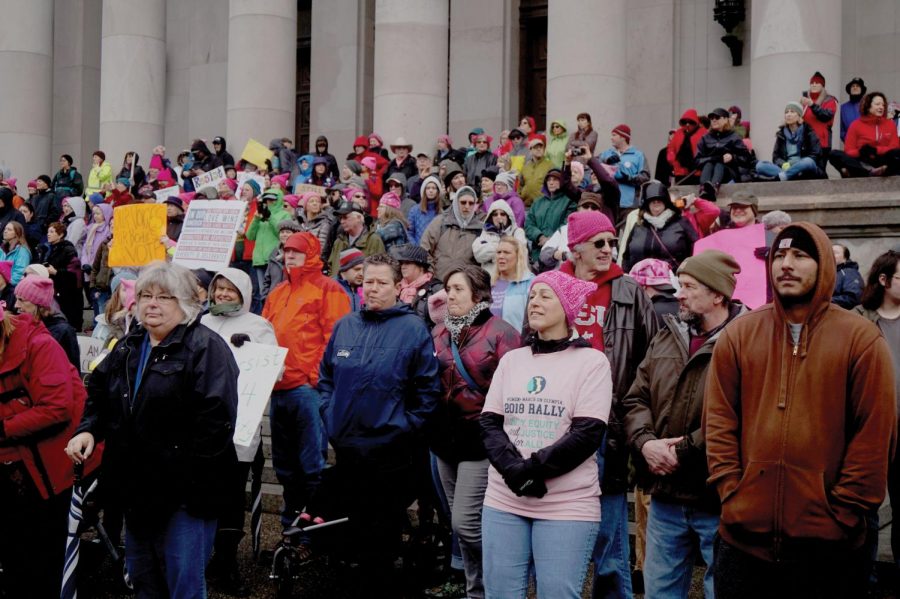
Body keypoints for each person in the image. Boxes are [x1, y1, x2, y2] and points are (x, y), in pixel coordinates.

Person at [704, 222, 896, 597]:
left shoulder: (860, 338)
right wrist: (733, 493)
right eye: (779, 255)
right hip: (743, 544)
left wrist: (842, 512)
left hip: (831, 547)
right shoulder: (739, 335)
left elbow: (874, 435)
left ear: (824, 264)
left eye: (800, 256)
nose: (785, 264)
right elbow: (719, 421)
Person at [67, 261, 240, 599]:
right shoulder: (131, 345)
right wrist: (89, 429)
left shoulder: (206, 348)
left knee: (183, 584)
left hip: (186, 495)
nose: (152, 303)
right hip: (138, 489)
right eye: (146, 295)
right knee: (143, 579)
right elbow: (100, 390)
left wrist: (172, 479)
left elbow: (215, 425)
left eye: (164, 297)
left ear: (186, 304)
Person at [480, 268, 611, 598]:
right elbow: (490, 424)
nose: (534, 303)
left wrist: (530, 471)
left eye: (545, 296)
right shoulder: (512, 361)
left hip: (566, 504)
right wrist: (516, 474)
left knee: (557, 593)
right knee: (500, 593)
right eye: (532, 296)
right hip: (504, 499)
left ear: (566, 308)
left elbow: (586, 434)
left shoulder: (591, 362)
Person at [624, 250, 745, 599]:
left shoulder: (745, 340)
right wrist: (646, 443)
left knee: (720, 589)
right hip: (665, 496)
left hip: (716, 494)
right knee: (660, 591)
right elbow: (635, 398)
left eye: (690, 286)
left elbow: (743, 413)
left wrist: (682, 450)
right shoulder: (668, 334)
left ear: (717, 294)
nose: (679, 293)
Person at [318, 253, 441, 596]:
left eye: (381, 282)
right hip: (347, 446)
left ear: (397, 286)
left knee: (382, 529)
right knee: (351, 525)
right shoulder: (346, 325)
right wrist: (329, 413)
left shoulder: (412, 329)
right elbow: (326, 376)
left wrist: (403, 427)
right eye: (367, 281)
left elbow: (427, 391)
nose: (371, 288)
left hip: (390, 450)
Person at [559, 209, 659, 599]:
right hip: (558, 422)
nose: (607, 249)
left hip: (607, 426)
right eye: (598, 243)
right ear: (575, 248)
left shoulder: (629, 291)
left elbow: (650, 358)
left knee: (610, 536)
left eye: (611, 243)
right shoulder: (552, 286)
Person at [430, 264, 520, 598]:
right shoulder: (440, 332)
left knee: (465, 524)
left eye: (457, 289)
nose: (449, 295)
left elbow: (513, 387)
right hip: (445, 439)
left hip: (481, 440)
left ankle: (506, 579)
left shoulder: (502, 332)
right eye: (448, 288)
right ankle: (476, 591)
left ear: (478, 295)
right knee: (461, 523)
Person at [0, 298, 90, 598]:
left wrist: (4, 427)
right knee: (14, 555)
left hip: (48, 471)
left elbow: (56, 408)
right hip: (10, 466)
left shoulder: (40, 345)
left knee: (40, 558)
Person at [263, 232, 350, 530]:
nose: (290, 256)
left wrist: (314, 377)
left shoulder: (329, 289)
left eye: (297, 252)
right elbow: (264, 336)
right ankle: (290, 524)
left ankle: (312, 531)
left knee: (312, 464)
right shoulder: (277, 293)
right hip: (278, 388)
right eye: (287, 251)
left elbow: (336, 339)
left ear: (311, 254)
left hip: (307, 390)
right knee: (285, 467)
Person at [199, 267, 276, 596]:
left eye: (231, 290)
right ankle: (199, 560)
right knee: (203, 496)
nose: (223, 295)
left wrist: (249, 353)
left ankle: (225, 564)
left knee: (231, 499)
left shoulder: (259, 326)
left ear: (244, 292)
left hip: (239, 427)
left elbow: (274, 368)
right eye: (219, 289)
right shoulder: (201, 323)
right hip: (202, 429)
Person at [856, 249, 900, 584]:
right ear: (883, 280)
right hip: (871, 428)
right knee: (864, 510)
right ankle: (863, 578)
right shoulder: (859, 319)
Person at [622, 181, 698, 272]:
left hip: (672, 282)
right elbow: (626, 256)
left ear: (666, 202)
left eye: (660, 200)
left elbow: (696, 250)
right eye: (652, 200)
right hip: (638, 281)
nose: (656, 202)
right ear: (646, 204)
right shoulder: (638, 226)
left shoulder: (681, 223)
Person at [421, 186, 486, 280]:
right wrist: (431, 272)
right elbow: (424, 249)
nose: (467, 206)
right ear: (456, 202)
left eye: (471, 203)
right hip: (437, 282)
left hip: (464, 285)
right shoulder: (441, 222)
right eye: (463, 202)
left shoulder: (480, 229)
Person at [829, 91, 900, 177]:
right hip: (862, 160)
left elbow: (895, 147)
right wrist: (860, 152)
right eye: (877, 104)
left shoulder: (890, 124)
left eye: (883, 105)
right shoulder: (855, 125)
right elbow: (848, 150)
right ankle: (868, 171)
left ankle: (857, 172)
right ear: (868, 106)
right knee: (834, 154)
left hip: (883, 159)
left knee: (897, 153)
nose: (881, 107)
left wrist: (876, 150)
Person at [755, 102, 824, 181]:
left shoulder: (808, 132)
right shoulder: (781, 134)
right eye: (786, 112)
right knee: (760, 165)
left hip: (803, 168)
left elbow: (814, 155)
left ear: (799, 116)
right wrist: (783, 164)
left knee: (808, 162)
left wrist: (796, 165)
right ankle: (788, 175)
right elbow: (776, 157)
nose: (788, 114)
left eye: (792, 112)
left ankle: (783, 176)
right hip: (787, 168)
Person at [525, 169, 577, 264]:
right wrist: (540, 237)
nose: (551, 183)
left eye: (555, 179)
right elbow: (529, 224)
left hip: (557, 253)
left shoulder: (569, 201)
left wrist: (551, 240)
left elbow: (566, 225)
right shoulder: (538, 202)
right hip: (536, 252)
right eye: (548, 180)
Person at [246, 188, 293, 292]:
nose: (269, 202)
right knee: (263, 293)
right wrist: (256, 219)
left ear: (279, 200)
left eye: (272, 200)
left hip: (274, 259)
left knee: (275, 291)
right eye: (267, 200)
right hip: (259, 259)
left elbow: (282, 233)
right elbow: (249, 236)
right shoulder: (261, 215)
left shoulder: (285, 215)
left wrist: (270, 217)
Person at [695, 108, 751, 188]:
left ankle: (713, 187)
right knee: (709, 164)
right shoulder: (705, 138)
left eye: (717, 117)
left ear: (726, 119)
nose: (714, 120)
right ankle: (704, 188)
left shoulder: (734, 137)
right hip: (708, 172)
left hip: (729, 174)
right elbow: (697, 160)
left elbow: (746, 158)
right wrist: (713, 158)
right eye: (711, 118)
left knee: (720, 163)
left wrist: (732, 157)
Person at [488, 236, 534, 333]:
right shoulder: (490, 284)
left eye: (506, 252)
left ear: (518, 256)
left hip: (519, 345)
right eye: (499, 252)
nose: (501, 256)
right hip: (491, 345)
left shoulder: (531, 282)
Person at [328, 201, 386, 275]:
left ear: (358, 218)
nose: (342, 221)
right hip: (338, 286)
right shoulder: (339, 241)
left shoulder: (373, 240)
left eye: (345, 217)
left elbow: (380, 269)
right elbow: (331, 267)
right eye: (340, 218)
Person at [392, 243, 443, 327]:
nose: (403, 266)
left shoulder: (436, 289)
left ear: (421, 267)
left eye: (408, 263)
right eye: (402, 263)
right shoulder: (397, 287)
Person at [44, 221, 83, 330]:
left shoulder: (68, 250)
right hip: (54, 291)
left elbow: (74, 275)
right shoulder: (49, 249)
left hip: (67, 295)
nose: (48, 234)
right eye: (48, 231)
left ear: (61, 234)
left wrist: (56, 272)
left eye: (52, 232)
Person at [473, 199, 526, 278]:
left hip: (512, 278)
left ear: (508, 216)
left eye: (502, 214)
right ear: (491, 217)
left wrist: (491, 258)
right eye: (495, 214)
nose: (499, 217)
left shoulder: (517, 232)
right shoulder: (485, 233)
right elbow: (479, 255)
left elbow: (519, 252)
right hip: (490, 279)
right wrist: (505, 249)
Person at [599, 124, 646, 209]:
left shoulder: (638, 155)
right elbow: (595, 169)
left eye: (614, 135)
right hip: (608, 203)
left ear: (623, 137)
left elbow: (645, 177)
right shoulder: (606, 154)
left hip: (629, 204)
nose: (611, 138)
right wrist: (606, 162)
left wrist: (628, 178)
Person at [80, 203, 113, 316]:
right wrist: (84, 263)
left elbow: (101, 253)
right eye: (94, 214)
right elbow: (85, 247)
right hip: (88, 267)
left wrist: (93, 265)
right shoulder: (90, 228)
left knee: (100, 296)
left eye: (99, 213)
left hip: (98, 268)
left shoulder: (108, 231)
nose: (96, 216)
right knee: (92, 294)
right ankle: (95, 320)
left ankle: (98, 320)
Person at [801, 71, 839, 154]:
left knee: (819, 167)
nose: (814, 85)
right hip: (806, 143)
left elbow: (825, 116)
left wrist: (812, 105)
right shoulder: (804, 100)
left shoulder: (830, 100)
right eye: (812, 83)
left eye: (817, 83)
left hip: (822, 143)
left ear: (822, 86)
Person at [667, 109, 707, 185]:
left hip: (697, 173)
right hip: (680, 173)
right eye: (685, 122)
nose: (687, 124)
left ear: (696, 122)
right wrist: (673, 161)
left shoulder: (703, 133)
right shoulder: (679, 133)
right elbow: (671, 148)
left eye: (691, 122)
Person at [408, 174, 443, 245]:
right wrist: (416, 247)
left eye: (434, 188)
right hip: (417, 251)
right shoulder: (414, 210)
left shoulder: (442, 213)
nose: (431, 190)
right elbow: (409, 232)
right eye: (428, 188)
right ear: (424, 190)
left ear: (438, 191)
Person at [519, 136, 554, 207]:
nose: (539, 149)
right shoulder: (525, 167)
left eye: (541, 147)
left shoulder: (550, 166)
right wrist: (520, 198)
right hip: (526, 205)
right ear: (530, 150)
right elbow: (520, 185)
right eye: (536, 147)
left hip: (543, 205)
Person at [831, 243, 864, 309]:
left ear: (845, 258)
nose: (831, 254)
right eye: (830, 252)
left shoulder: (849, 272)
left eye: (835, 253)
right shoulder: (830, 272)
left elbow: (853, 298)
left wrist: (826, 301)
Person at [840, 77, 867, 142]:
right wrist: (848, 139)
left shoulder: (868, 106)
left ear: (862, 90)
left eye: (857, 86)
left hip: (867, 145)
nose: (855, 87)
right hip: (850, 145)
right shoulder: (843, 108)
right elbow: (841, 129)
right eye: (853, 86)